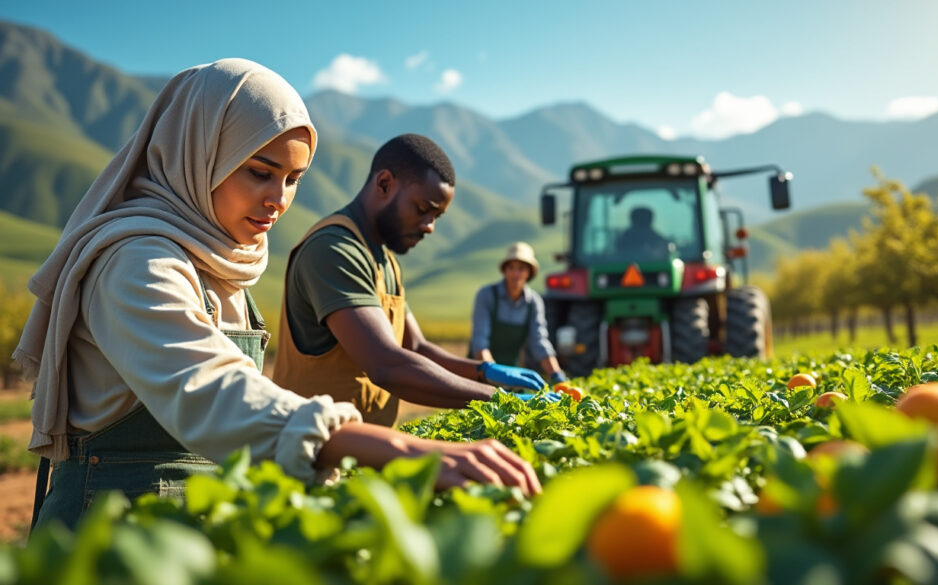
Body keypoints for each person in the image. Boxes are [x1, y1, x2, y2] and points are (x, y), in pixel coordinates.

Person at [15, 59, 540, 532]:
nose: (279, 200)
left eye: (293, 179)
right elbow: (211, 388)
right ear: (200, 153)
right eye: (261, 173)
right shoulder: (134, 262)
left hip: (192, 520)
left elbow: (410, 347)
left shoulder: (220, 265)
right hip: (109, 533)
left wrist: (489, 377)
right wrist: (394, 446)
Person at [273, 134, 550, 427]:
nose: (429, 227)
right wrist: (499, 399)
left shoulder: (385, 260)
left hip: (362, 448)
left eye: (437, 217)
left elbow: (415, 347)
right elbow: (386, 365)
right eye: (422, 209)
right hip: (308, 450)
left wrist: (484, 370)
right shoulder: (333, 250)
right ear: (384, 184)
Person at [469, 242, 568, 384]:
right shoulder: (487, 295)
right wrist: (492, 372)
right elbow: (480, 342)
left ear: (529, 273)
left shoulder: (534, 302)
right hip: (481, 371)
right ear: (505, 270)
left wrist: (556, 374)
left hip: (512, 372)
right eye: (511, 268)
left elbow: (539, 342)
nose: (516, 274)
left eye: (521, 269)